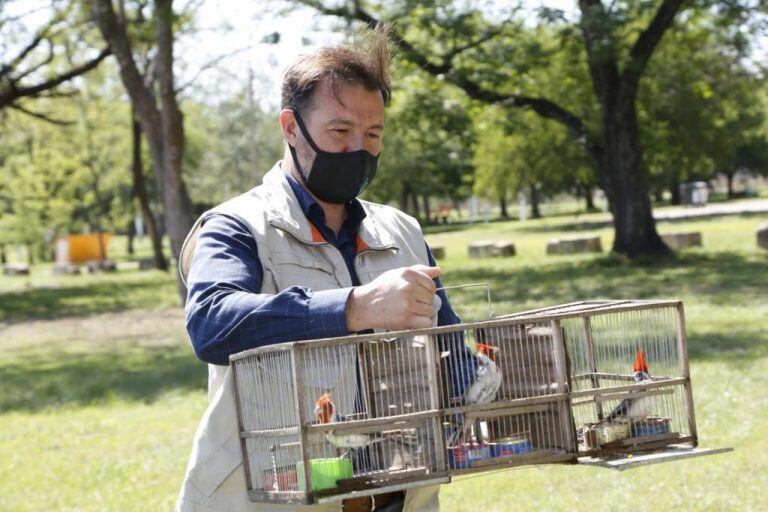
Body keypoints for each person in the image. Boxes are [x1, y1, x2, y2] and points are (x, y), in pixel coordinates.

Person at [175, 27, 472, 512]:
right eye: (340, 131)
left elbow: (451, 352)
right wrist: (356, 307)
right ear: (291, 127)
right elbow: (212, 324)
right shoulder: (237, 226)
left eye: (372, 134)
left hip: (402, 497)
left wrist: (500, 396)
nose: (359, 148)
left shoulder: (402, 229)